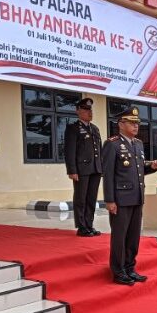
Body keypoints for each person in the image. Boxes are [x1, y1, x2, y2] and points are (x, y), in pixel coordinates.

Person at [102, 107, 157, 286]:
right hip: (120, 199)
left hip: (136, 197)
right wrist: (110, 200)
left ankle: (130, 268)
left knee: (133, 236)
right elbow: (108, 174)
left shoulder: (137, 143)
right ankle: (118, 271)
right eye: (131, 122)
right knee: (120, 237)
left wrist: (151, 167)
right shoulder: (112, 144)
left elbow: (137, 170)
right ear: (121, 124)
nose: (136, 126)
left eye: (137, 123)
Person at [64, 98, 103, 237]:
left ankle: (89, 224)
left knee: (91, 198)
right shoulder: (73, 128)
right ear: (78, 111)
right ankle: (81, 226)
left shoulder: (95, 128)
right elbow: (69, 151)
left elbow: (100, 150)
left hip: (95, 169)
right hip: (81, 170)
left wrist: (101, 167)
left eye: (90, 110)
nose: (89, 112)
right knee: (81, 198)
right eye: (86, 110)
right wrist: (72, 170)